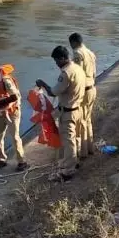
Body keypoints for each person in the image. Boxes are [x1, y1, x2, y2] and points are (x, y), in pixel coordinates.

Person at [36, 46, 87, 181]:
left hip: (68, 112)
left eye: (57, 61)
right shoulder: (78, 68)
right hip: (78, 109)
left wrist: (43, 84)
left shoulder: (66, 73)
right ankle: (73, 162)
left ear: (63, 58)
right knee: (75, 138)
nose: (56, 64)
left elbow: (54, 92)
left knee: (68, 140)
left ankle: (68, 171)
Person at [69, 32, 98, 158]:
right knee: (88, 119)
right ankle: (90, 148)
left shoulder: (78, 53)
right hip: (92, 88)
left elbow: (78, 74)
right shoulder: (90, 53)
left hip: (84, 91)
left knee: (81, 122)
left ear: (74, 42)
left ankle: (83, 153)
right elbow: (94, 73)